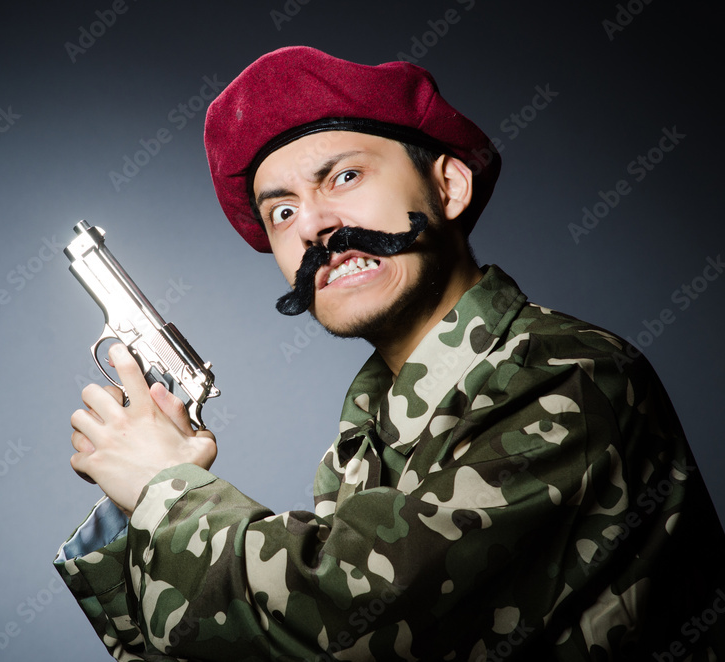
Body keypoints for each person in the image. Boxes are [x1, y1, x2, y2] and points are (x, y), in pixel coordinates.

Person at [55, 46, 725, 661]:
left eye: (344, 176)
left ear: (449, 186)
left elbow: (351, 625)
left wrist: (165, 489)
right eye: (281, 211)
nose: (314, 225)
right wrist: (139, 500)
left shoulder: (571, 378)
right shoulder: (366, 436)